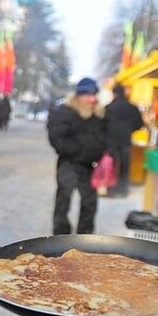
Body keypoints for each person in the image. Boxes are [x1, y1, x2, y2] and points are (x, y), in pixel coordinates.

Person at [47, 77, 108, 234]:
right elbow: (57, 139)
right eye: (88, 95)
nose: (92, 99)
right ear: (79, 96)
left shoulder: (98, 114)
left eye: (94, 95)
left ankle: (85, 236)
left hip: (90, 166)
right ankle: (61, 235)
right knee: (64, 199)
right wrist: (78, 152)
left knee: (90, 202)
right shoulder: (64, 113)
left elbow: (103, 137)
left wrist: (101, 153)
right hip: (69, 163)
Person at [104, 83, 144, 197]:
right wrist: (130, 129)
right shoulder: (133, 108)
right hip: (126, 141)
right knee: (125, 166)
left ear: (114, 93)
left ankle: (111, 190)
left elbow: (101, 124)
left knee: (112, 166)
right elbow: (140, 124)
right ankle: (123, 190)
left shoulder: (108, 108)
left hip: (111, 141)